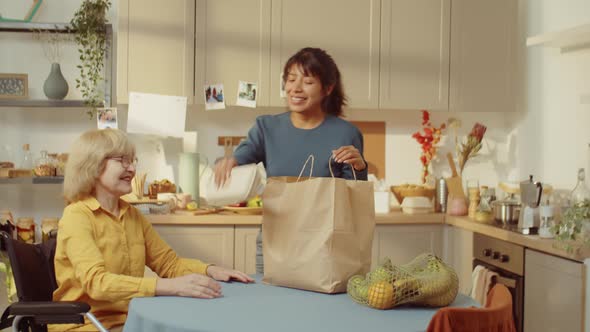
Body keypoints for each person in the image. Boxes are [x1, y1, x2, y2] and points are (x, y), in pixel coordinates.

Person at [53, 129, 253, 332]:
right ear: (93, 166)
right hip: (85, 324)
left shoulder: (132, 215)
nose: (131, 168)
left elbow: (168, 264)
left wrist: (210, 270)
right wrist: (168, 286)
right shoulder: (76, 217)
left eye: (132, 160)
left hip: (130, 320)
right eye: (122, 160)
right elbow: (97, 283)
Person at [214, 47, 368, 274]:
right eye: (291, 79)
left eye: (307, 81)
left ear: (328, 88)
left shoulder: (346, 134)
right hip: (275, 241)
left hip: (325, 245)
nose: (295, 88)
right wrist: (228, 162)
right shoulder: (266, 127)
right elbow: (242, 156)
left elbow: (354, 196)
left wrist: (359, 167)